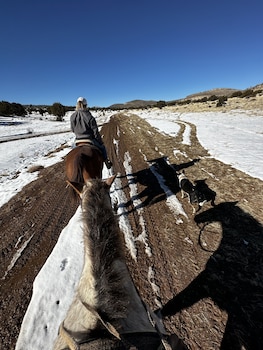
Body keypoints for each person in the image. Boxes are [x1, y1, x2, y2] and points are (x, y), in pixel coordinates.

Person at [70, 97, 112, 169]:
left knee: (72, 154)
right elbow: (95, 132)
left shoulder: (72, 116)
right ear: (86, 105)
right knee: (102, 147)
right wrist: (100, 141)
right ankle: (106, 162)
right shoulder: (89, 116)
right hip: (89, 139)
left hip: (77, 139)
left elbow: (73, 129)